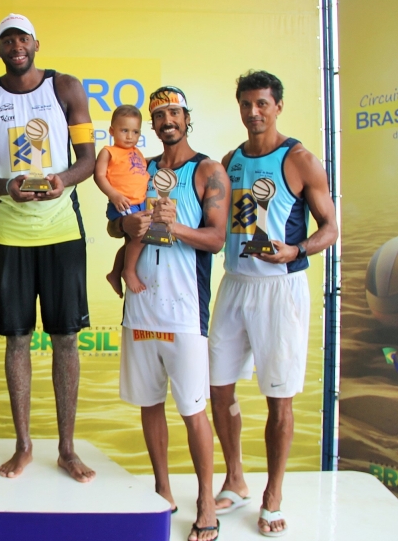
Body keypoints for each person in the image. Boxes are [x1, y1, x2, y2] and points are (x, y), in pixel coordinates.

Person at [208, 71, 338, 537]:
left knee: (278, 397)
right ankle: (236, 478)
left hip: (279, 289)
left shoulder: (300, 159)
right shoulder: (231, 160)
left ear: (278, 105)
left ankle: (273, 494)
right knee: (219, 389)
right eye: (246, 104)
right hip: (235, 284)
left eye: (262, 103)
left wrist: (296, 250)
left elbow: (330, 227)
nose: (253, 112)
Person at [0, 14, 97, 482]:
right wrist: (8, 186)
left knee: (65, 339)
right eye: (7, 39)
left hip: (62, 230)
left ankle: (66, 448)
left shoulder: (66, 87)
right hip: (13, 234)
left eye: (22, 37)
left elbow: (87, 160)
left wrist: (61, 179)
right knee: (17, 339)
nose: (16, 45)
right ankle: (23, 446)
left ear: (36, 43)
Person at [116, 87, 228, 541]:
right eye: (159, 114)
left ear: (187, 118)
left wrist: (171, 225)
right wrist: (127, 224)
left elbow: (217, 238)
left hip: (184, 310)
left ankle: (204, 499)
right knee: (149, 402)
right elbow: (116, 221)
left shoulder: (208, 170)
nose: (167, 121)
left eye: (174, 113)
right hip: (141, 303)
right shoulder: (139, 168)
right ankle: (162, 488)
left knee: (193, 410)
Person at [93, 105, 149, 297]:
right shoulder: (109, 151)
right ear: (112, 131)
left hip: (140, 203)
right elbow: (99, 176)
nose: (129, 136)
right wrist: (113, 195)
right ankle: (128, 271)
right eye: (124, 130)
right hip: (123, 203)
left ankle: (115, 273)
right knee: (140, 235)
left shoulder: (137, 152)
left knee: (131, 242)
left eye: (135, 132)